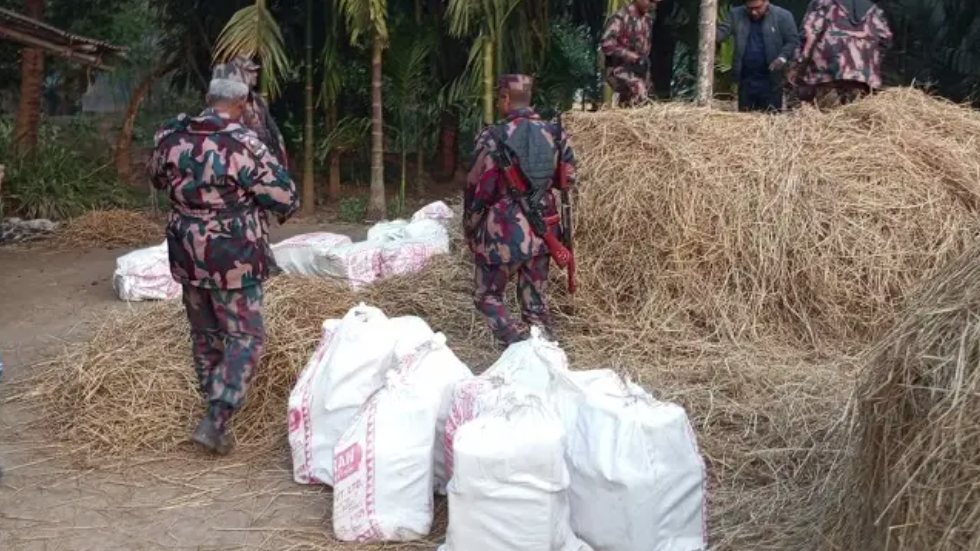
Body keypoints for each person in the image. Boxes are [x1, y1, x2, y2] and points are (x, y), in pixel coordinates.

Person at [147, 62, 299, 455]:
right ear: (243, 103)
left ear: (208, 97)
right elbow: (285, 199)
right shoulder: (244, 144)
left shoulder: (170, 135)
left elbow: (156, 178)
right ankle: (216, 418)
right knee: (245, 335)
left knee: (204, 333)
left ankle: (211, 407)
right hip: (234, 255)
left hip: (186, 252)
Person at [464, 75, 577, 347]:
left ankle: (515, 345)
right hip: (544, 229)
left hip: (502, 232)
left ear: (505, 98)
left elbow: (478, 186)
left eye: (498, 98)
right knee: (535, 306)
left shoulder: (492, 136)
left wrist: (470, 225)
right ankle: (545, 353)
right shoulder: (556, 133)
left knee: (487, 295)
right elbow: (568, 181)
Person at [789, 0, 893, 106]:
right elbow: (885, 38)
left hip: (827, 73)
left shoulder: (822, 3)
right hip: (864, 76)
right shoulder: (872, 8)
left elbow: (809, 35)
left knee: (826, 112)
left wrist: (798, 63)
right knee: (859, 112)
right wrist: (870, 62)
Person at [716, 0, 798, 113]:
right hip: (746, 79)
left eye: (757, 8)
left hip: (771, 79)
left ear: (766, 2)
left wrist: (782, 58)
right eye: (749, 8)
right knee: (746, 117)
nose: (753, 12)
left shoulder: (783, 16)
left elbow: (793, 41)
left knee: (771, 116)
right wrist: (712, 35)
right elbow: (723, 31)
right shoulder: (736, 14)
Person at [231, 56, 289, 168]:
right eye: (250, 71)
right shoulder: (231, 104)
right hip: (247, 162)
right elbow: (235, 136)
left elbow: (273, 128)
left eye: (255, 71)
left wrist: (280, 148)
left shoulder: (258, 100)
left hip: (267, 159)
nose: (256, 74)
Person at [601, 0, 658, 107]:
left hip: (641, 70)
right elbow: (606, 44)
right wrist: (628, 54)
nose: (653, 5)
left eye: (656, 3)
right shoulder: (620, 17)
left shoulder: (648, 19)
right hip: (618, 69)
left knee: (646, 100)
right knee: (638, 88)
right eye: (651, 1)